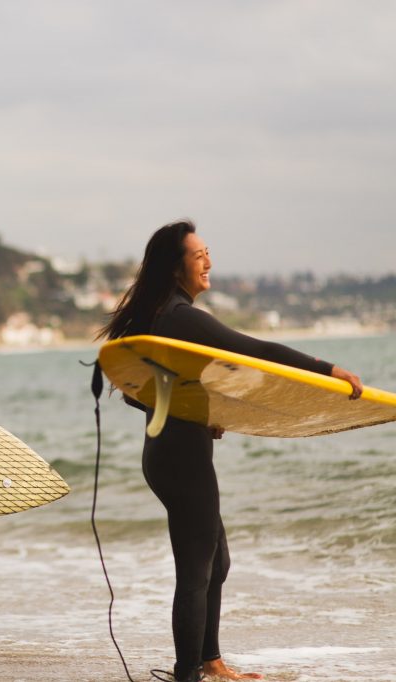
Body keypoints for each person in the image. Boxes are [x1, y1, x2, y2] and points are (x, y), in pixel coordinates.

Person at [98, 220, 362, 682]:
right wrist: (326, 368)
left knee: (214, 561)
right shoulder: (179, 316)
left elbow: (139, 391)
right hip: (180, 461)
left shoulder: (163, 314)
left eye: (207, 252)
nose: (209, 262)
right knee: (197, 568)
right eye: (199, 254)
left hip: (171, 453)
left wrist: (194, 413)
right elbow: (253, 350)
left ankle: (209, 660)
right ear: (175, 266)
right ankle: (189, 673)